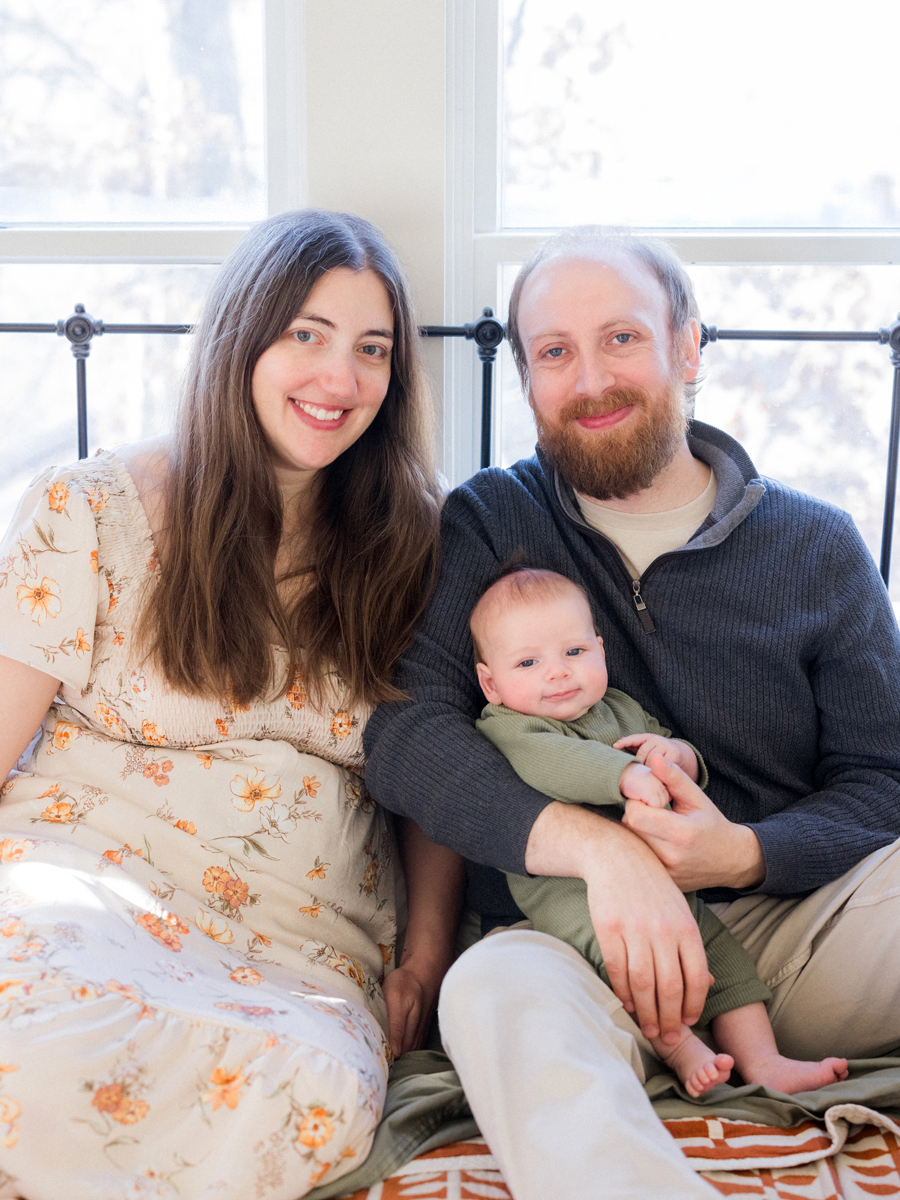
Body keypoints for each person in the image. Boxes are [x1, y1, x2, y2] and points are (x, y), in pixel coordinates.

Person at [363, 226, 900, 1199]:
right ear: (528, 380)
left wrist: (745, 852)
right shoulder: (487, 522)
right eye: (555, 352)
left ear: (688, 347)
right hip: (569, 941)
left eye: (622, 338)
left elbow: (884, 780)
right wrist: (597, 849)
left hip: (792, 934)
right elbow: (407, 735)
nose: (590, 379)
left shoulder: (817, 546)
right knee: (494, 994)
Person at [0, 209, 461, 1200]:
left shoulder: (418, 544)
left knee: (310, 1097)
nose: (341, 381)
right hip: (86, 884)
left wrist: (422, 960)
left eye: (371, 350)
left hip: (300, 945)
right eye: (306, 334)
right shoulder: (92, 509)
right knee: (33, 1043)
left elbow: (440, 773)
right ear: (240, 336)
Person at [471, 565, 849, 1098]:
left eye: (574, 653)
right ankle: (678, 1046)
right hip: (574, 897)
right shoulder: (510, 725)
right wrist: (623, 775)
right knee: (633, 959)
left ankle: (765, 1061)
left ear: (600, 650)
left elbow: (664, 743)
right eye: (528, 662)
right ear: (492, 682)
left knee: (724, 959)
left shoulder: (619, 708)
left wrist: (677, 758)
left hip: (673, 890)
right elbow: (550, 764)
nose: (556, 673)